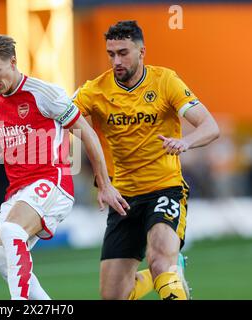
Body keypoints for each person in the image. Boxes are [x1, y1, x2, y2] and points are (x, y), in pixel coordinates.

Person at [0, 31, 128, 300]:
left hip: (52, 184)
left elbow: (87, 134)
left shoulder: (44, 94)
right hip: (18, 192)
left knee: (11, 231)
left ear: (12, 61)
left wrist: (104, 184)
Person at [73, 20, 220, 300]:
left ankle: (167, 272)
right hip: (123, 197)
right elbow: (62, 116)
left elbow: (210, 126)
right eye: (111, 53)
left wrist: (185, 142)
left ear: (142, 52)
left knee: (160, 263)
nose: (116, 60)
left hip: (165, 188)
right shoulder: (94, 91)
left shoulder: (165, 81)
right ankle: (168, 272)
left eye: (123, 53)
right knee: (113, 295)